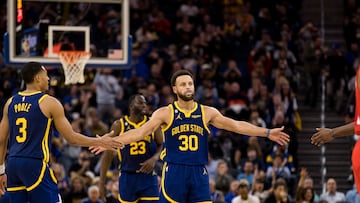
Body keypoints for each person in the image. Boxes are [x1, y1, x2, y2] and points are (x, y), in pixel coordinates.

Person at [91, 69, 290, 202]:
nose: (188, 87)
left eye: (190, 83)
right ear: (175, 89)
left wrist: (267, 132)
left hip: (198, 172)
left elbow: (236, 125)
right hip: (174, 171)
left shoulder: (207, 112)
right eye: (183, 84)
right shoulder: (165, 112)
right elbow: (139, 133)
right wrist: (110, 142)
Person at [0, 62, 120, 203]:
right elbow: (71, 138)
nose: (49, 79)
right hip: (34, 162)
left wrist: (1, 170)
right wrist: (99, 141)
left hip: (13, 163)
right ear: (38, 78)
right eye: (46, 75)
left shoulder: (10, 102)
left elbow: (1, 139)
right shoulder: (49, 102)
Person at [99, 94, 163, 202]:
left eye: (145, 103)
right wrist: (102, 182)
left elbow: (162, 144)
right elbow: (107, 154)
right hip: (127, 176)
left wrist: (154, 159)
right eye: (140, 102)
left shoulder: (151, 123)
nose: (144, 105)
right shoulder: (119, 125)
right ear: (131, 106)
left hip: (148, 176)